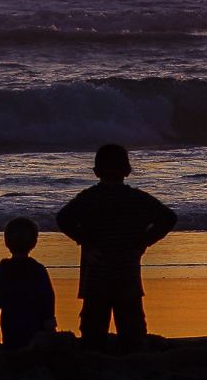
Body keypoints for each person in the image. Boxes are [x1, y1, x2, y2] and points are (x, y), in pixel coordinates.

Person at [55, 143, 176, 351]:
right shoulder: (137, 199)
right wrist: (143, 242)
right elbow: (168, 217)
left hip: (96, 278)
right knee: (132, 335)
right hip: (126, 276)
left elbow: (63, 218)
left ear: (96, 172)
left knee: (92, 337)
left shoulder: (88, 198)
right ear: (128, 171)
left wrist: (84, 242)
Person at [0, 216, 57, 350]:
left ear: (6, 242)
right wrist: (49, 321)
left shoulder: (2, 269)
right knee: (34, 350)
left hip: (10, 322)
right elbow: (47, 298)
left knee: (12, 347)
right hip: (34, 323)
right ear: (34, 243)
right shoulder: (38, 270)